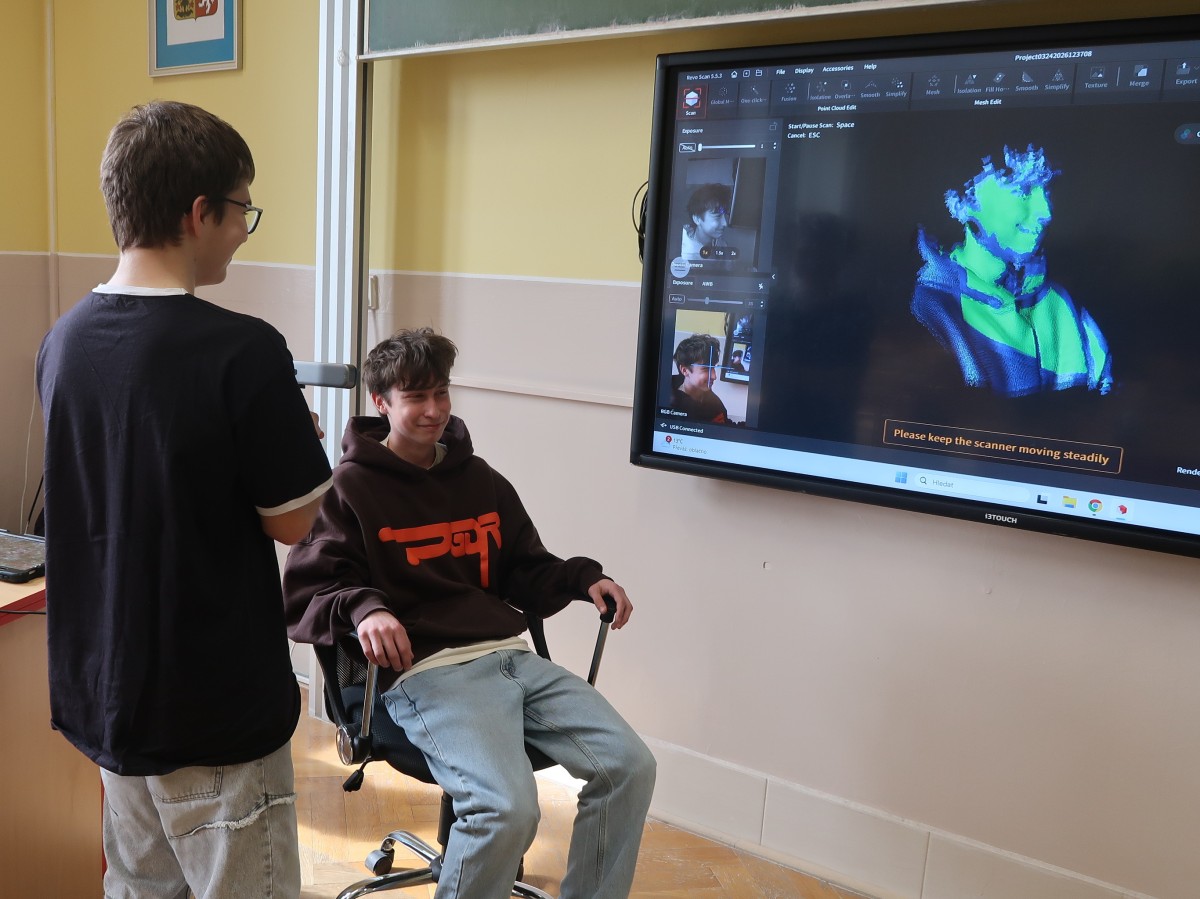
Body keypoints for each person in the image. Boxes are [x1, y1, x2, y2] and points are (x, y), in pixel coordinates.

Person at [36, 101, 333, 899]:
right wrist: (296, 438)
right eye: (242, 211)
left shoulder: (62, 340)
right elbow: (296, 520)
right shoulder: (244, 351)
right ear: (199, 212)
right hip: (215, 714)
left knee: (139, 887)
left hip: (110, 703)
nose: (243, 230)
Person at [283, 328, 656, 899]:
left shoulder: (480, 480)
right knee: (506, 809)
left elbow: (524, 568)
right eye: (416, 397)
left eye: (441, 393)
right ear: (382, 403)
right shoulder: (349, 490)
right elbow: (307, 592)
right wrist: (364, 608)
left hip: (510, 659)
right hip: (428, 672)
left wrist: (583, 578)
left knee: (628, 766)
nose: (434, 410)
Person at [911, 144, 1113, 397]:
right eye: (1023, 190)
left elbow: (1101, 403)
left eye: (1046, 190)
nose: (1046, 212)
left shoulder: (1060, 304)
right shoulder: (929, 306)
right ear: (962, 202)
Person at [669, 333, 729, 423]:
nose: (714, 376)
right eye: (706, 369)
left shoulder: (716, 406)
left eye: (713, 367)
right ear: (685, 370)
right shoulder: (666, 402)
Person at [681, 182, 733, 260]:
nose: (725, 223)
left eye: (726, 215)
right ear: (697, 219)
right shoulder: (684, 252)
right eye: (717, 216)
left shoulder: (721, 244)